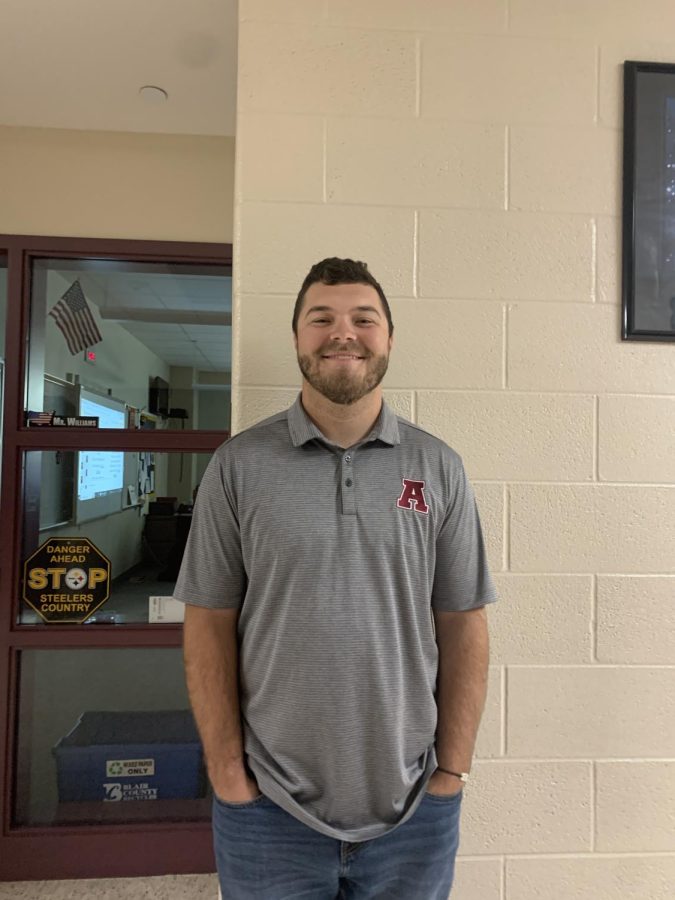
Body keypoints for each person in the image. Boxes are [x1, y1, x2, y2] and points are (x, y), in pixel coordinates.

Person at [174, 257, 498, 899]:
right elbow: (207, 624)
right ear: (297, 337)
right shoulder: (238, 468)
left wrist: (452, 773)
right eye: (321, 318)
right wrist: (227, 775)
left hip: (413, 811)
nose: (341, 333)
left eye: (362, 319)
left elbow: (464, 624)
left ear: (388, 339)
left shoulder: (439, 469)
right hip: (267, 813)